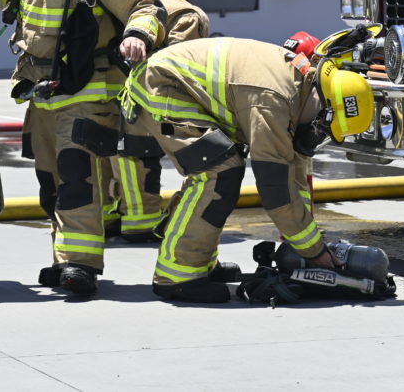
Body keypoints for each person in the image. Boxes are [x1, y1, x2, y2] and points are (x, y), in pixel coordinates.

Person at [0, 0, 166, 295]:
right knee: (52, 182)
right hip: (42, 85)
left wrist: (138, 34)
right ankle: (63, 257)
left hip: (89, 87)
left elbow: (144, 4)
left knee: (78, 175)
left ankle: (80, 265)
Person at [119, 36, 375, 303]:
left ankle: (199, 261)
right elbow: (276, 190)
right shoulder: (273, 102)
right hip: (161, 84)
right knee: (219, 172)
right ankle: (177, 277)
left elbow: (293, 174)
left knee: (221, 166)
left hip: (172, 81)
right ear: (324, 112)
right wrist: (314, 252)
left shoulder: (299, 87)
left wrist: (306, 243)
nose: (316, 137)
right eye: (322, 131)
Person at [104, 0, 210, 243]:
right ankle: (140, 221)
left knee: (108, 150)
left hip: (105, 86)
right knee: (139, 150)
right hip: (147, 89)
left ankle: (109, 217)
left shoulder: (126, 1)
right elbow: (182, 63)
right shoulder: (187, 15)